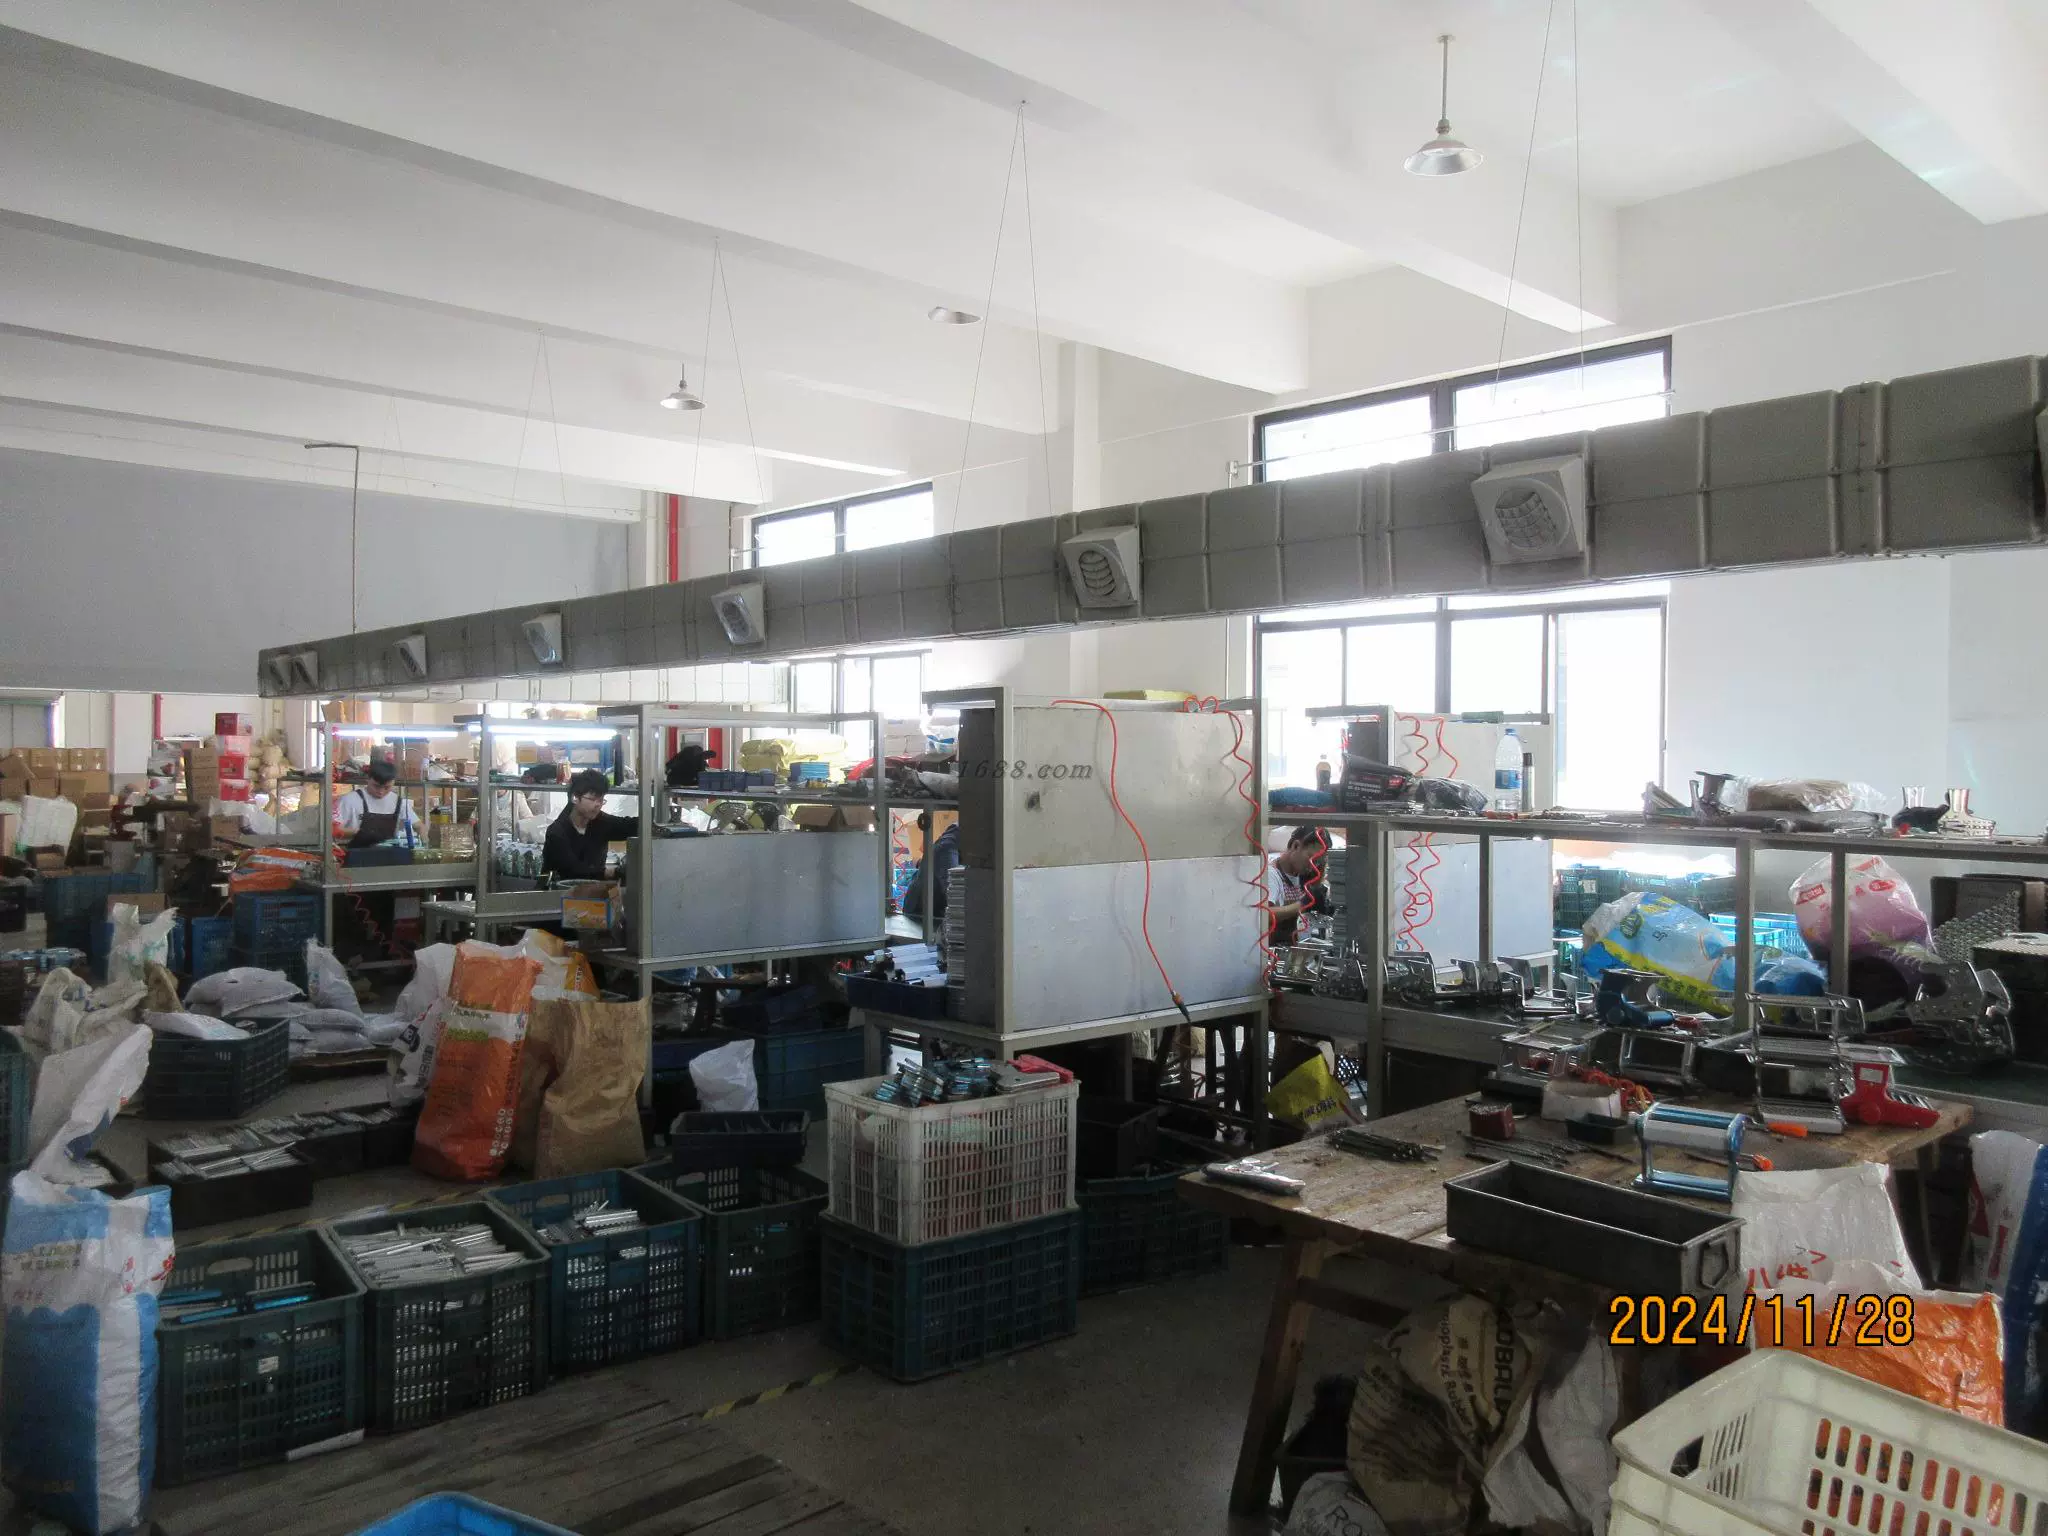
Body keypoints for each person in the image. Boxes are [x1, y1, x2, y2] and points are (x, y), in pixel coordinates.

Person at [541, 768, 640, 881]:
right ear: (575, 798)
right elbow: (573, 871)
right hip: (559, 890)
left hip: (594, 889)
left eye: (601, 800)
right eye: (593, 799)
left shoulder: (600, 822)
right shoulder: (557, 832)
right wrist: (612, 872)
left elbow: (630, 826)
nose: (598, 805)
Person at [1264, 824, 1328, 946]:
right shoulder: (1272, 875)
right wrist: (1302, 904)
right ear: (1296, 846)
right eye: (1311, 858)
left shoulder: (1302, 875)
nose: (1313, 866)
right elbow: (1265, 915)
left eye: (1317, 862)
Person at [334, 758, 419, 848]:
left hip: (390, 854)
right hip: (355, 853)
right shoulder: (349, 800)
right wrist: (358, 832)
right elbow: (333, 830)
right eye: (376, 786)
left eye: (386, 787)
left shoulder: (398, 802)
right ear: (368, 779)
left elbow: (419, 826)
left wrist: (423, 846)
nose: (381, 792)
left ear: (393, 782)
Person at [900, 811, 961, 922]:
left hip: (931, 909)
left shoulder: (950, 842)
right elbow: (952, 890)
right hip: (920, 914)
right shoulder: (947, 847)